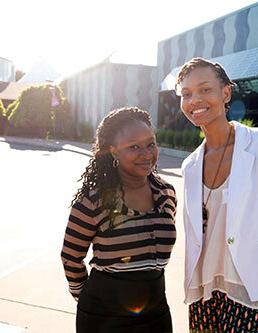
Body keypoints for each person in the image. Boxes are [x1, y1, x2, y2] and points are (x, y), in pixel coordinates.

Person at [176, 58, 258, 333]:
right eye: (186, 94)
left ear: (225, 94)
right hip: (203, 293)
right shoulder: (190, 166)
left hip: (251, 294)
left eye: (204, 89)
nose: (194, 100)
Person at [61, 107, 177, 333]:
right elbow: (71, 257)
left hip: (156, 312)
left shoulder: (167, 194)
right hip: (104, 316)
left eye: (150, 144)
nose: (146, 153)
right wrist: (85, 298)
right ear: (114, 152)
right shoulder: (94, 201)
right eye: (134, 146)